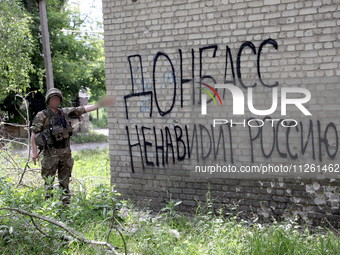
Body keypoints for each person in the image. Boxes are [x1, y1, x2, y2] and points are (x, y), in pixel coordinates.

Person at [31, 88, 115, 205]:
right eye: (53, 99)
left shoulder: (64, 112)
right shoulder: (42, 115)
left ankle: (65, 206)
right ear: (48, 101)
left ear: (59, 100)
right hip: (50, 154)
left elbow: (83, 109)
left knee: (64, 182)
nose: (55, 101)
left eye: (57, 99)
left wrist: (100, 104)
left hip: (65, 153)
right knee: (48, 183)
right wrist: (34, 153)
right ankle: (49, 207)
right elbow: (34, 133)